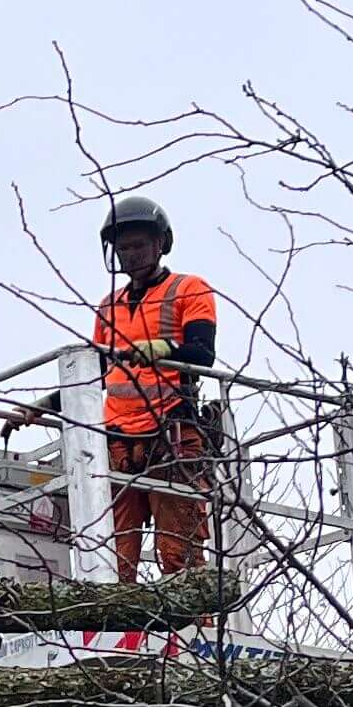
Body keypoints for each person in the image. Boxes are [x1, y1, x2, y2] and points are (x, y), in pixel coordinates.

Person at [88, 193, 219, 582]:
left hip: (170, 435)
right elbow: (90, 371)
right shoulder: (108, 307)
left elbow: (202, 354)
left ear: (160, 243)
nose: (131, 255)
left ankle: (190, 634)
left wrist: (162, 348)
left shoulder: (189, 289)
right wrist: (40, 407)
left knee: (178, 553)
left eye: (139, 245)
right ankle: (121, 635)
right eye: (123, 248)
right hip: (118, 443)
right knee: (115, 557)